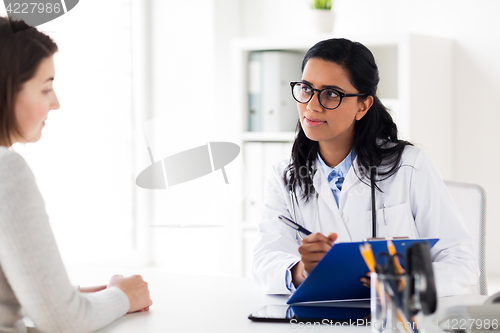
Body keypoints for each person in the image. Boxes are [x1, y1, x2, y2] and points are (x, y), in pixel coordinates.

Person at [252, 38, 479, 297]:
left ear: (363, 105)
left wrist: (403, 280)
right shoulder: (285, 177)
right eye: (306, 89)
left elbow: (461, 262)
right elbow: (264, 261)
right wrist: (301, 270)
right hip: (320, 320)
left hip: (395, 317)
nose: (311, 106)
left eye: (331, 94)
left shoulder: (410, 165)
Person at [0, 18, 153, 332]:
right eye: (45, 88)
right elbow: (63, 322)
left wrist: (59, 296)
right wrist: (123, 295)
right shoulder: (7, 171)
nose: (55, 103)